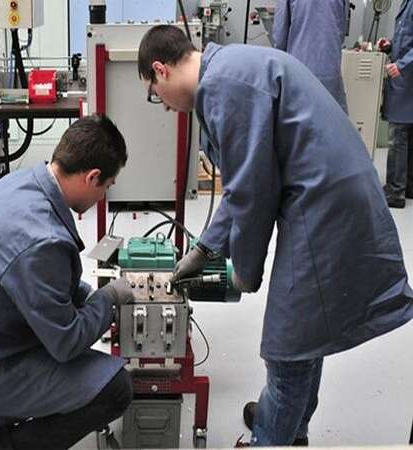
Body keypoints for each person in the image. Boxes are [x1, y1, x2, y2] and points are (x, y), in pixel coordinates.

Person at [137, 25, 413, 447]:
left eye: (155, 95)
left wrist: (245, 273)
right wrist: (205, 248)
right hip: (333, 195)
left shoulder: (222, 87)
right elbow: (242, 185)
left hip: (323, 208)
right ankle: (291, 426)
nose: (165, 106)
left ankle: (272, 437)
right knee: (308, 332)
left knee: (287, 347)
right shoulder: (231, 67)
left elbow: (252, 193)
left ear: (161, 70)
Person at [0, 114, 134, 450]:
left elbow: (45, 286)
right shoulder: (42, 242)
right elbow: (67, 342)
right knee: (116, 389)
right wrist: (108, 299)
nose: (103, 196)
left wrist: (88, 296)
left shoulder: (19, 182)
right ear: (92, 177)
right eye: (106, 186)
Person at [273, 0, 349, 112]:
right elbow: (341, 31)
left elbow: (280, 38)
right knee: (331, 118)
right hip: (330, 73)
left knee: (299, 118)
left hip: (299, 72)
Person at [381, 0, 413, 208]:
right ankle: (408, 186)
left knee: (398, 135)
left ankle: (395, 192)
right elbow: (407, 38)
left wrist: (401, 65)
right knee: (407, 134)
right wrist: (390, 45)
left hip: (406, 77)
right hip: (405, 78)